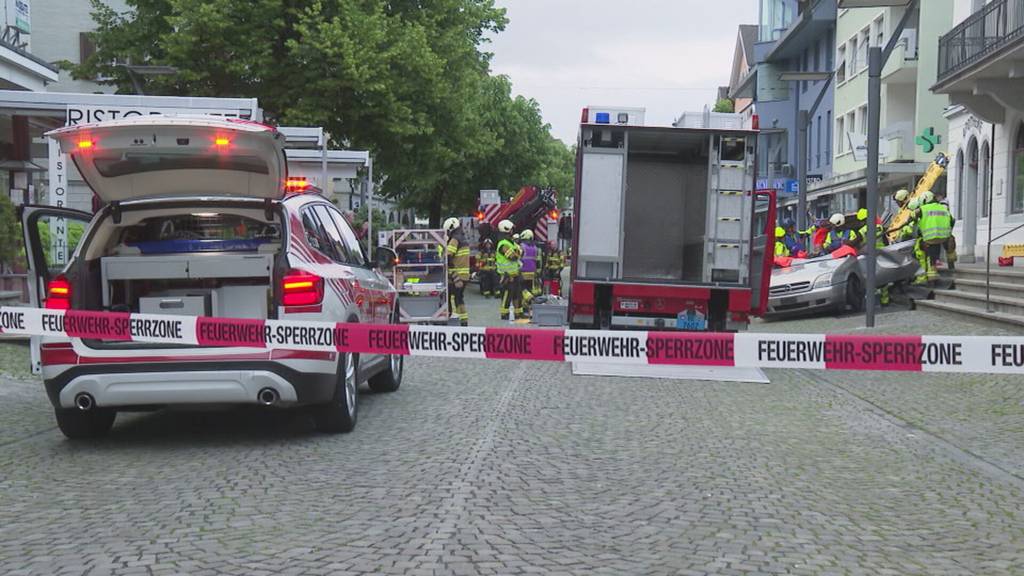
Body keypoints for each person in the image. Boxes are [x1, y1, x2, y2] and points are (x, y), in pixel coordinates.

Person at [855, 208, 891, 305]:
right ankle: (885, 299)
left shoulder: (862, 231)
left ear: (864, 220)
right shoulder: (879, 227)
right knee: (883, 276)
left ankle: (871, 299)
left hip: (869, 255)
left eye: (861, 221)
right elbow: (885, 240)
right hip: (881, 253)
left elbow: (855, 244)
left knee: (870, 277)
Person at [918, 191, 954, 283]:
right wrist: (948, 231)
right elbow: (952, 220)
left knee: (929, 253)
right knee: (951, 242)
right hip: (944, 237)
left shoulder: (922, 209)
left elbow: (913, 218)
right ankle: (951, 264)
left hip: (930, 239)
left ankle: (932, 276)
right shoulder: (943, 208)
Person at [442, 217, 471, 326]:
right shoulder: (463, 239)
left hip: (456, 276)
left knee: (451, 296)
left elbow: (448, 256)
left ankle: (451, 320)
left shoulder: (455, 239)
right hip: (464, 276)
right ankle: (464, 321)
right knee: (459, 298)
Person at [495, 220, 524, 319]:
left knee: (517, 295)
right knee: (507, 296)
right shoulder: (503, 244)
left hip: (515, 274)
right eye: (511, 229)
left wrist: (517, 252)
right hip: (506, 276)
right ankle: (504, 314)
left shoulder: (510, 242)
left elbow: (521, 252)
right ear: (507, 229)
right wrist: (517, 252)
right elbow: (513, 256)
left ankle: (518, 313)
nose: (512, 231)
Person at [519, 229, 539, 298]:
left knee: (522, 289)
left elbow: (517, 258)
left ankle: (525, 302)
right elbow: (537, 260)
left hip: (523, 271)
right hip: (532, 272)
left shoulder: (521, 246)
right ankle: (529, 301)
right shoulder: (535, 248)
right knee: (529, 288)